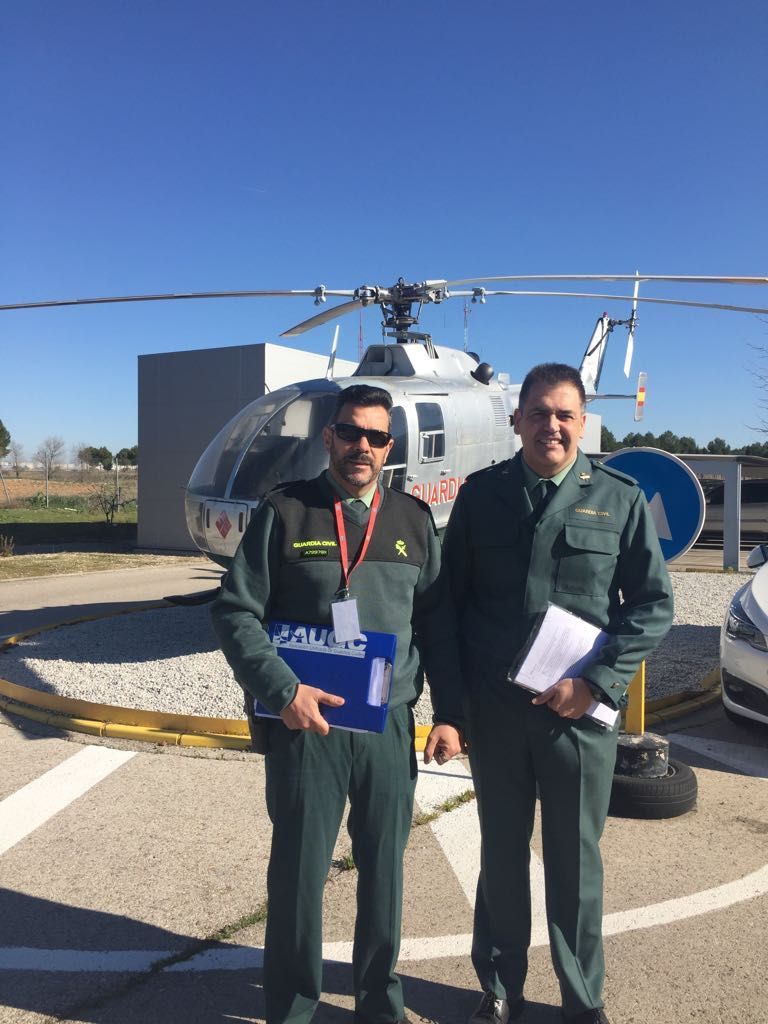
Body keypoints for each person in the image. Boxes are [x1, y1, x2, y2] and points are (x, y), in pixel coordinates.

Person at [212, 383, 463, 1024]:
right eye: (351, 432)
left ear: (389, 447)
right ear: (329, 437)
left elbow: (436, 624)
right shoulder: (286, 511)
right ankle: (293, 1009)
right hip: (306, 724)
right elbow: (237, 610)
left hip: (387, 727)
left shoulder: (412, 520)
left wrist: (451, 712)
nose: (362, 447)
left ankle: (379, 1004)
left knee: (384, 871)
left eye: (376, 437)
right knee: (298, 874)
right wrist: (282, 690)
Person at [443, 363, 674, 1024]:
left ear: (581, 422)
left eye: (565, 414)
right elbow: (449, 607)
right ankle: (499, 988)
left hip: (579, 718)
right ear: (516, 421)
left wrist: (597, 681)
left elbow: (652, 607)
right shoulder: (481, 496)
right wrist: (452, 708)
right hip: (496, 713)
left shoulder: (619, 498)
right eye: (539, 413)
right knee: (502, 855)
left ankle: (582, 998)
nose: (552, 426)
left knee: (576, 865)